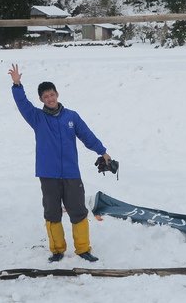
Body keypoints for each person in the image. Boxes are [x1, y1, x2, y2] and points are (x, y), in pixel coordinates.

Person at [8, 64, 112, 263]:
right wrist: (17, 84)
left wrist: (102, 152)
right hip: (48, 174)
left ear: (57, 94)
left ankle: (83, 249)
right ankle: (57, 250)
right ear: (41, 100)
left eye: (52, 94)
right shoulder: (37, 118)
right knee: (52, 212)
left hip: (71, 173)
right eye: (45, 97)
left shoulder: (71, 116)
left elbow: (87, 135)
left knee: (78, 211)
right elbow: (22, 104)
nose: (50, 99)